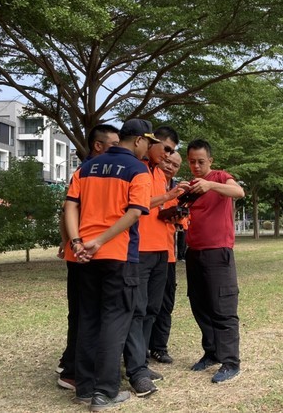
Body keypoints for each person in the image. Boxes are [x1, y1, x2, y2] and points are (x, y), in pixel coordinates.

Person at [64, 118, 157, 410]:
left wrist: (78, 242)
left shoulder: (86, 167)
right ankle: (104, 392)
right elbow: (133, 214)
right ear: (139, 140)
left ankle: (85, 388)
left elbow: (69, 206)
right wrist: (101, 241)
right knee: (115, 322)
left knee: (88, 319)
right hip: (116, 255)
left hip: (84, 257)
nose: (148, 149)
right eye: (149, 143)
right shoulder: (137, 170)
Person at [56, 124, 120, 391]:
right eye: (114, 144)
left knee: (86, 314)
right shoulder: (87, 171)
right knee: (85, 315)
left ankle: (72, 365)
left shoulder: (94, 170)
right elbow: (68, 209)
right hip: (83, 253)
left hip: (87, 251)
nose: (119, 150)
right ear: (98, 145)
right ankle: (72, 371)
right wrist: (71, 242)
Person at [123, 126, 183, 397]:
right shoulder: (136, 168)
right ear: (151, 143)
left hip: (163, 250)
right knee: (137, 309)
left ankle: (142, 363)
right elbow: (140, 203)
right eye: (166, 149)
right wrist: (169, 197)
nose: (168, 156)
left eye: (172, 151)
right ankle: (135, 367)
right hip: (139, 251)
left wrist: (175, 210)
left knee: (151, 309)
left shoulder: (160, 174)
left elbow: (158, 208)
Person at [183, 139, 245, 383]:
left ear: (210, 160)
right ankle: (211, 353)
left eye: (201, 161)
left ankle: (231, 361)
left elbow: (238, 192)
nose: (196, 166)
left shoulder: (219, 177)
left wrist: (210, 184)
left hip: (218, 251)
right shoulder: (191, 186)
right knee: (200, 305)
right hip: (194, 251)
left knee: (223, 308)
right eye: (192, 162)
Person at [149, 151, 184, 364]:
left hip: (168, 253)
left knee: (165, 303)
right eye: (168, 162)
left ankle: (159, 347)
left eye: (176, 165)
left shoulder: (177, 188)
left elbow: (180, 221)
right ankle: (140, 348)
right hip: (147, 251)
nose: (170, 167)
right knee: (146, 304)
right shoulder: (148, 179)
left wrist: (179, 216)